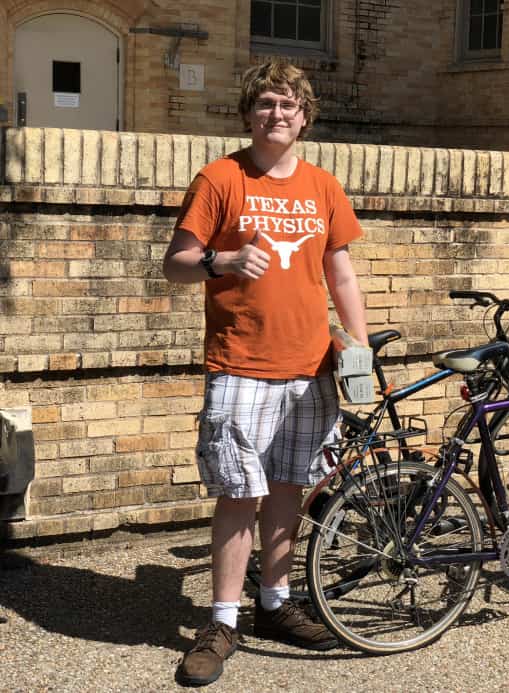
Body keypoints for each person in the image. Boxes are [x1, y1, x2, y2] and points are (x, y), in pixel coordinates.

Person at [163, 58, 367, 686]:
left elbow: (341, 272)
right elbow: (177, 263)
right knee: (238, 493)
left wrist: (358, 346)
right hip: (242, 363)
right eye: (265, 104)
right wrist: (222, 260)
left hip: (310, 367)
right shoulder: (221, 178)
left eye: (288, 104)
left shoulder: (323, 187)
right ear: (249, 114)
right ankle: (223, 620)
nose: (277, 114)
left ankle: (274, 603)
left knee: (288, 489)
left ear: (304, 117)